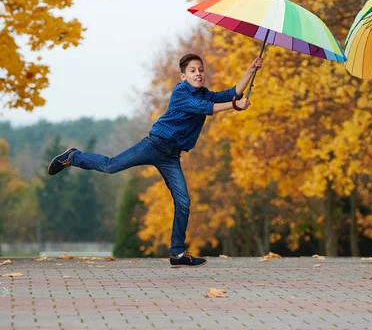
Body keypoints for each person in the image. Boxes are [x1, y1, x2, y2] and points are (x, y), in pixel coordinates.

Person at [47, 53, 263, 268]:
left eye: (201, 70)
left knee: (184, 202)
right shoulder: (181, 93)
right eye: (193, 71)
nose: (198, 74)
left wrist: (250, 70)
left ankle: (177, 254)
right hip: (153, 145)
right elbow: (207, 109)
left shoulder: (204, 93)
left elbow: (232, 93)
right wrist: (235, 106)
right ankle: (72, 156)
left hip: (171, 156)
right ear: (183, 76)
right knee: (110, 165)